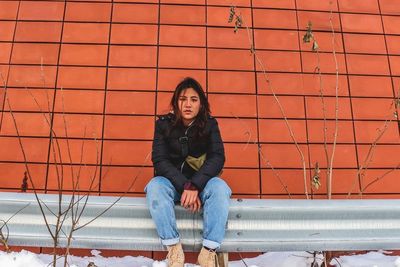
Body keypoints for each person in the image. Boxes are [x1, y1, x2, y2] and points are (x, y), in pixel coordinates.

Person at [145, 77, 232, 267]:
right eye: (183, 99)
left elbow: (217, 157)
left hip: (202, 185)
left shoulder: (210, 124)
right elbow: (159, 160)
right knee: (154, 187)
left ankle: (208, 252)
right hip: (174, 185)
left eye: (194, 99)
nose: (188, 104)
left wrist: (195, 185)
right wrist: (185, 185)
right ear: (176, 102)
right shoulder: (163, 124)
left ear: (201, 104)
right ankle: (174, 250)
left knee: (220, 187)